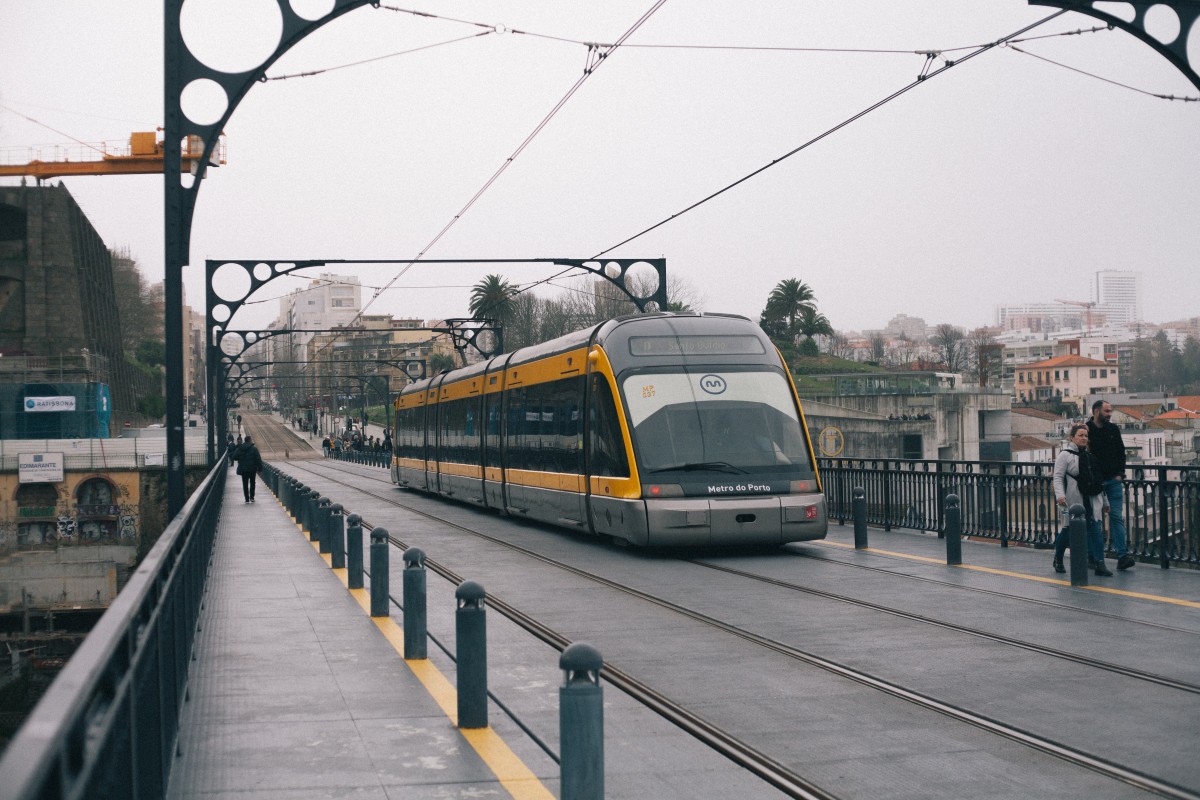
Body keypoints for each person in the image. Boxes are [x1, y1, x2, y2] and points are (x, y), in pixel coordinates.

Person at [1052, 423, 1111, 576]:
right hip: (1071, 500)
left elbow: (1098, 482)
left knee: (1096, 530)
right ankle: (1058, 559)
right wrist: (1060, 496)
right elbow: (1057, 477)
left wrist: (1105, 502)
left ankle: (1100, 563)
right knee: (1067, 530)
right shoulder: (1064, 455)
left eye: (1086, 436)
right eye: (1080, 435)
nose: (1084, 438)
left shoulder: (1090, 456)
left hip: (1091, 499)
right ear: (1072, 437)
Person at [1087, 400, 1135, 570]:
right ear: (1096, 411)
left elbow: (1121, 453)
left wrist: (1120, 474)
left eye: (1110, 411)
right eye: (1106, 411)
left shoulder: (1113, 430)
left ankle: (1122, 556)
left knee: (1116, 518)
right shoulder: (1086, 430)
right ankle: (1094, 556)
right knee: (1095, 520)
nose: (1109, 414)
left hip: (1113, 481)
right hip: (1095, 483)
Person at [233, 434, 263, 503]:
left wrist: (240, 459)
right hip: (252, 469)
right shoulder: (254, 449)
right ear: (250, 441)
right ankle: (252, 497)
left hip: (244, 469)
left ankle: (246, 498)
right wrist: (260, 469)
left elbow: (234, 457)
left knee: (245, 483)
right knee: (252, 482)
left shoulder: (240, 448)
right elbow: (258, 459)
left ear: (245, 441)